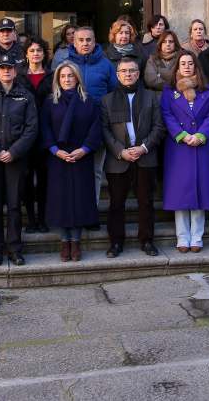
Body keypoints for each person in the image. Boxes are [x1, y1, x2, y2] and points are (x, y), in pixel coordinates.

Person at [0, 54, 38, 266]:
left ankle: (14, 249)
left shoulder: (26, 96)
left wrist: (13, 151)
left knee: (13, 205)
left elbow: (32, 128)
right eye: (2, 68)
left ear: (15, 70)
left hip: (16, 158)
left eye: (10, 68)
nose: (6, 71)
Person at [101, 57, 167, 257]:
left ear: (138, 74)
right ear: (118, 74)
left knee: (145, 202)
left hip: (145, 157)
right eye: (124, 71)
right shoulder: (107, 100)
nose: (128, 74)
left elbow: (159, 126)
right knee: (116, 203)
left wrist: (144, 147)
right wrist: (120, 151)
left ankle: (147, 241)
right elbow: (104, 130)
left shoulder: (151, 98)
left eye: (132, 71)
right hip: (118, 159)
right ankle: (116, 243)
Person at [42, 62, 103, 262]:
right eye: (63, 76)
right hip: (58, 157)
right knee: (61, 201)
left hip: (81, 156)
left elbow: (96, 128)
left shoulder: (89, 102)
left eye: (70, 76)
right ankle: (64, 241)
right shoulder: (50, 102)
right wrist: (54, 150)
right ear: (57, 80)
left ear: (77, 78)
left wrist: (84, 150)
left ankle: (76, 242)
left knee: (79, 200)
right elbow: (45, 129)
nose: (67, 79)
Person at [160, 50, 209, 252]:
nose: (186, 66)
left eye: (190, 63)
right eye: (183, 63)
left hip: (203, 146)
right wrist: (183, 135)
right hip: (178, 148)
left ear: (196, 67)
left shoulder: (208, 90)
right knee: (180, 194)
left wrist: (201, 135)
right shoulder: (168, 92)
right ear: (177, 67)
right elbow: (167, 115)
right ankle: (182, 237)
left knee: (200, 193)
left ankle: (197, 237)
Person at [65, 26, 118, 208]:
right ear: (74, 41)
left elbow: (114, 93)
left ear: (95, 41)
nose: (85, 43)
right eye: (81, 40)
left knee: (95, 171)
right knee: (74, 171)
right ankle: (76, 210)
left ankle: (91, 211)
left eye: (89, 40)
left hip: (98, 125)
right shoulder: (66, 64)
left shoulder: (106, 65)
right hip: (72, 127)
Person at [18, 38, 54, 233]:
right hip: (24, 135)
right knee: (25, 179)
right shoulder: (19, 77)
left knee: (44, 179)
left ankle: (43, 219)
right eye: (32, 50)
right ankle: (30, 219)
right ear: (26, 54)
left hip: (46, 134)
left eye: (39, 50)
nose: (36, 54)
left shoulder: (52, 76)